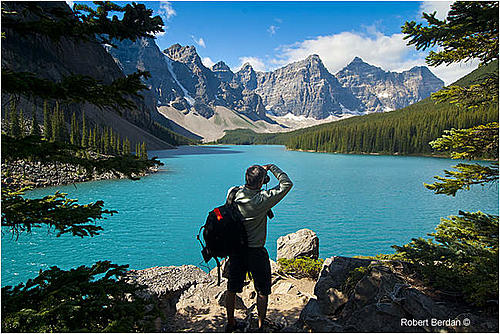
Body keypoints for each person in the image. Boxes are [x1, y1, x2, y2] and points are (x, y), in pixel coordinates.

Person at [225, 164, 293, 332]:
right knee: (262, 290)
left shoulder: (233, 192)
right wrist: (272, 168)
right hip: (256, 251)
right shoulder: (262, 199)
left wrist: (258, 175)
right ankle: (261, 326)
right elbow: (287, 184)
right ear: (262, 181)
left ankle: (231, 323)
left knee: (232, 288)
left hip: (236, 250)